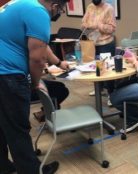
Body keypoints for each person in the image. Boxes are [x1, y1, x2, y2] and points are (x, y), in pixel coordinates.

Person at [0, 0, 69, 173]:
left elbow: (41, 46)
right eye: (61, 9)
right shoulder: (39, 12)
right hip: (8, 75)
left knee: (2, 124)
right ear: (55, 6)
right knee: (18, 129)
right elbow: (38, 58)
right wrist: (35, 83)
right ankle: (31, 171)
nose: (59, 12)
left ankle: (4, 167)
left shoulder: (22, 4)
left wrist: (59, 62)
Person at [81, 0, 116, 105]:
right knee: (95, 67)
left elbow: (112, 28)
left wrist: (97, 26)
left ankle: (111, 94)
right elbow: (83, 24)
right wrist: (87, 26)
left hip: (106, 43)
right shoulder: (90, 7)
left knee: (108, 69)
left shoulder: (109, 8)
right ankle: (98, 89)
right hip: (92, 43)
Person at [31, 47, 70, 122]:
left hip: (27, 82)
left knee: (60, 86)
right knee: (62, 91)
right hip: (26, 87)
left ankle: (46, 113)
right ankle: (48, 115)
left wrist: (58, 64)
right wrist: (46, 70)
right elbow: (32, 72)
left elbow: (45, 49)